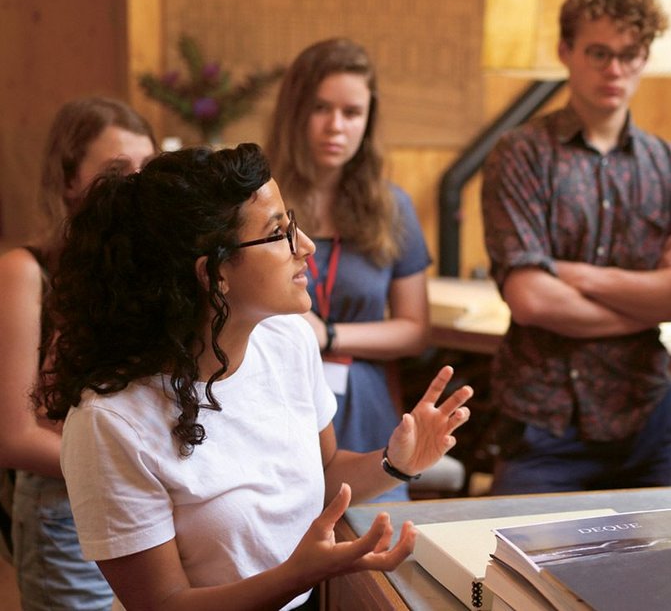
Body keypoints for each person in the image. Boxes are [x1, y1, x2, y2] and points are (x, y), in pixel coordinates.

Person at [34, 143, 472, 610]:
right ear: (214, 273)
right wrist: (293, 577)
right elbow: (164, 604)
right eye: (278, 232)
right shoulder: (110, 422)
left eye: (293, 223)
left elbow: (320, 476)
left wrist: (396, 461)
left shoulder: (289, 340)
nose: (304, 246)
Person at [481, 0, 671, 495]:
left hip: (646, 425)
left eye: (629, 54)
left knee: (657, 579)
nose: (615, 69)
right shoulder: (520, 154)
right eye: (599, 53)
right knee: (511, 578)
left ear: (645, 59)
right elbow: (532, 301)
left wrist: (577, 275)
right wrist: (651, 299)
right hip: (545, 427)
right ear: (566, 51)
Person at [0, 96, 156, 610]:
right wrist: (124, 467)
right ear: (68, 180)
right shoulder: (26, 270)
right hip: (63, 508)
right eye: (116, 171)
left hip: (142, 502)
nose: (134, 185)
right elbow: (13, 436)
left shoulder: (145, 270)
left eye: (146, 169)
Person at [266, 38, 431, 502]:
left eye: (352, 112)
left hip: (362, 403)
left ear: (368, 120)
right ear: (295, 111)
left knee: (373, 553)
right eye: (321, 108)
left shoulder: (391, 206)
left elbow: (415, 331)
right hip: (274, 395)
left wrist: (330, 336)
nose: (335, 126)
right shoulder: (258, 201)